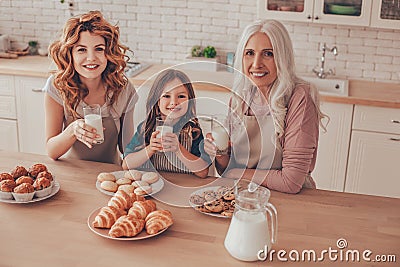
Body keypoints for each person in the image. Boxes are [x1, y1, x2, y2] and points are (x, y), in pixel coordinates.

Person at [204, 19, 327, 193]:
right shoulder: (240, 98)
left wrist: (237, 172)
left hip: (291, 201)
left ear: (282, 57)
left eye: (268, 54)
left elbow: (290, 182)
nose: (256, 64)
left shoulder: (300, 97)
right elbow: (226, 171)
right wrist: (220, 153)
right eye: (250, 53)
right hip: (245, 197)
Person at [44, 10, 137, 164]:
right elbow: (51, 151)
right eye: (81, 50)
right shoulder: (58, 86)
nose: (91, 58)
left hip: (111, 176)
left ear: (108, 53)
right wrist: (73, 130)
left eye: (99, 49)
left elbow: (127, 149)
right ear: (70, 54)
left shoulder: (123, 89)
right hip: (73, 175)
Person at [122, 69, 210, 178]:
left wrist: (179, 150)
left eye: (181, 96)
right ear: (157, 101)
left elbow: (203, 172)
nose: (174, 102)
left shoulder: (193, 131)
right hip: (154, 186)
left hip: (183, 187)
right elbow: (126, 164)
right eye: (166, 96)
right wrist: (150, 149)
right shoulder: (146, 127)